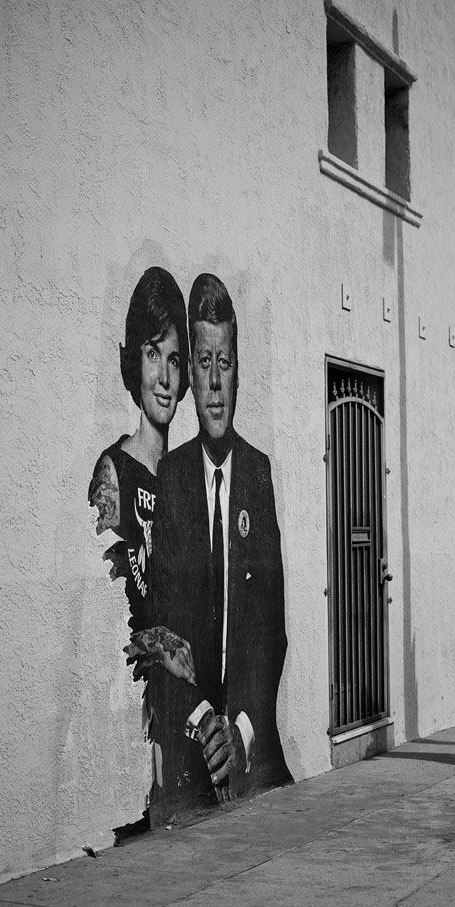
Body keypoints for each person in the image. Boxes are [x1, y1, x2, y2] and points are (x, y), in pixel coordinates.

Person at [144, 272, 292, 823]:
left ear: (238, 374)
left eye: (223, 364)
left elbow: (270, 633)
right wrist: (206, 721)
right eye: (201, 363)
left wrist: (242, 727)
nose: (212, 384)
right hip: (194, 746)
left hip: (254, 744)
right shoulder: (172, 478)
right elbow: (163, 623)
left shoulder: (258, 473)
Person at [88, 267, 193, 667]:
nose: (165, 378)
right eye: (153, 353)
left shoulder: (185, 480)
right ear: (135, 359)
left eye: (174, 359)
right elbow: (113, 611)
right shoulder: (113, 473)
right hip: (136, 691)